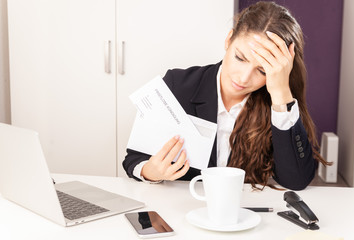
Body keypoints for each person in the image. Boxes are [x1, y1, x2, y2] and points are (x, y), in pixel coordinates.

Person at [123, 1, 329, 190]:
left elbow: (297, 180)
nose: (244, 78)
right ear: (229, 40)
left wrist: (281, 94)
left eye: (263, 71)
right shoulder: (178, 85)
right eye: (240, 58)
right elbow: (133, 159)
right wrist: (151, 172)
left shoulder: (279, 101)